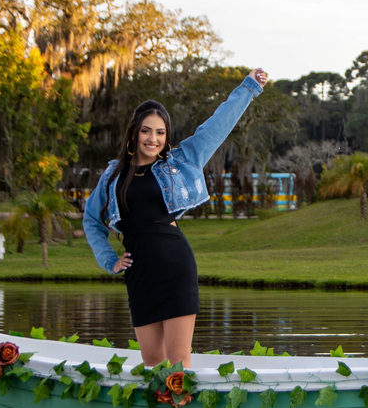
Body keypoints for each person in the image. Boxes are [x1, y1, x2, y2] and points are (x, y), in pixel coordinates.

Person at [83, 68, 268, 368]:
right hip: (139, 271)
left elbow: (215, 127)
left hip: (175, 265)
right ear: (134, 132)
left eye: (160, 132)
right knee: (152, 361)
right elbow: (91, 221)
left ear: (166, 136)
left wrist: (248, 88)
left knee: (178, 361)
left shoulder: (180, 162)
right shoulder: (113, 175)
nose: (152, 138)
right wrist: (109, 260)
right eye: (146, 130)